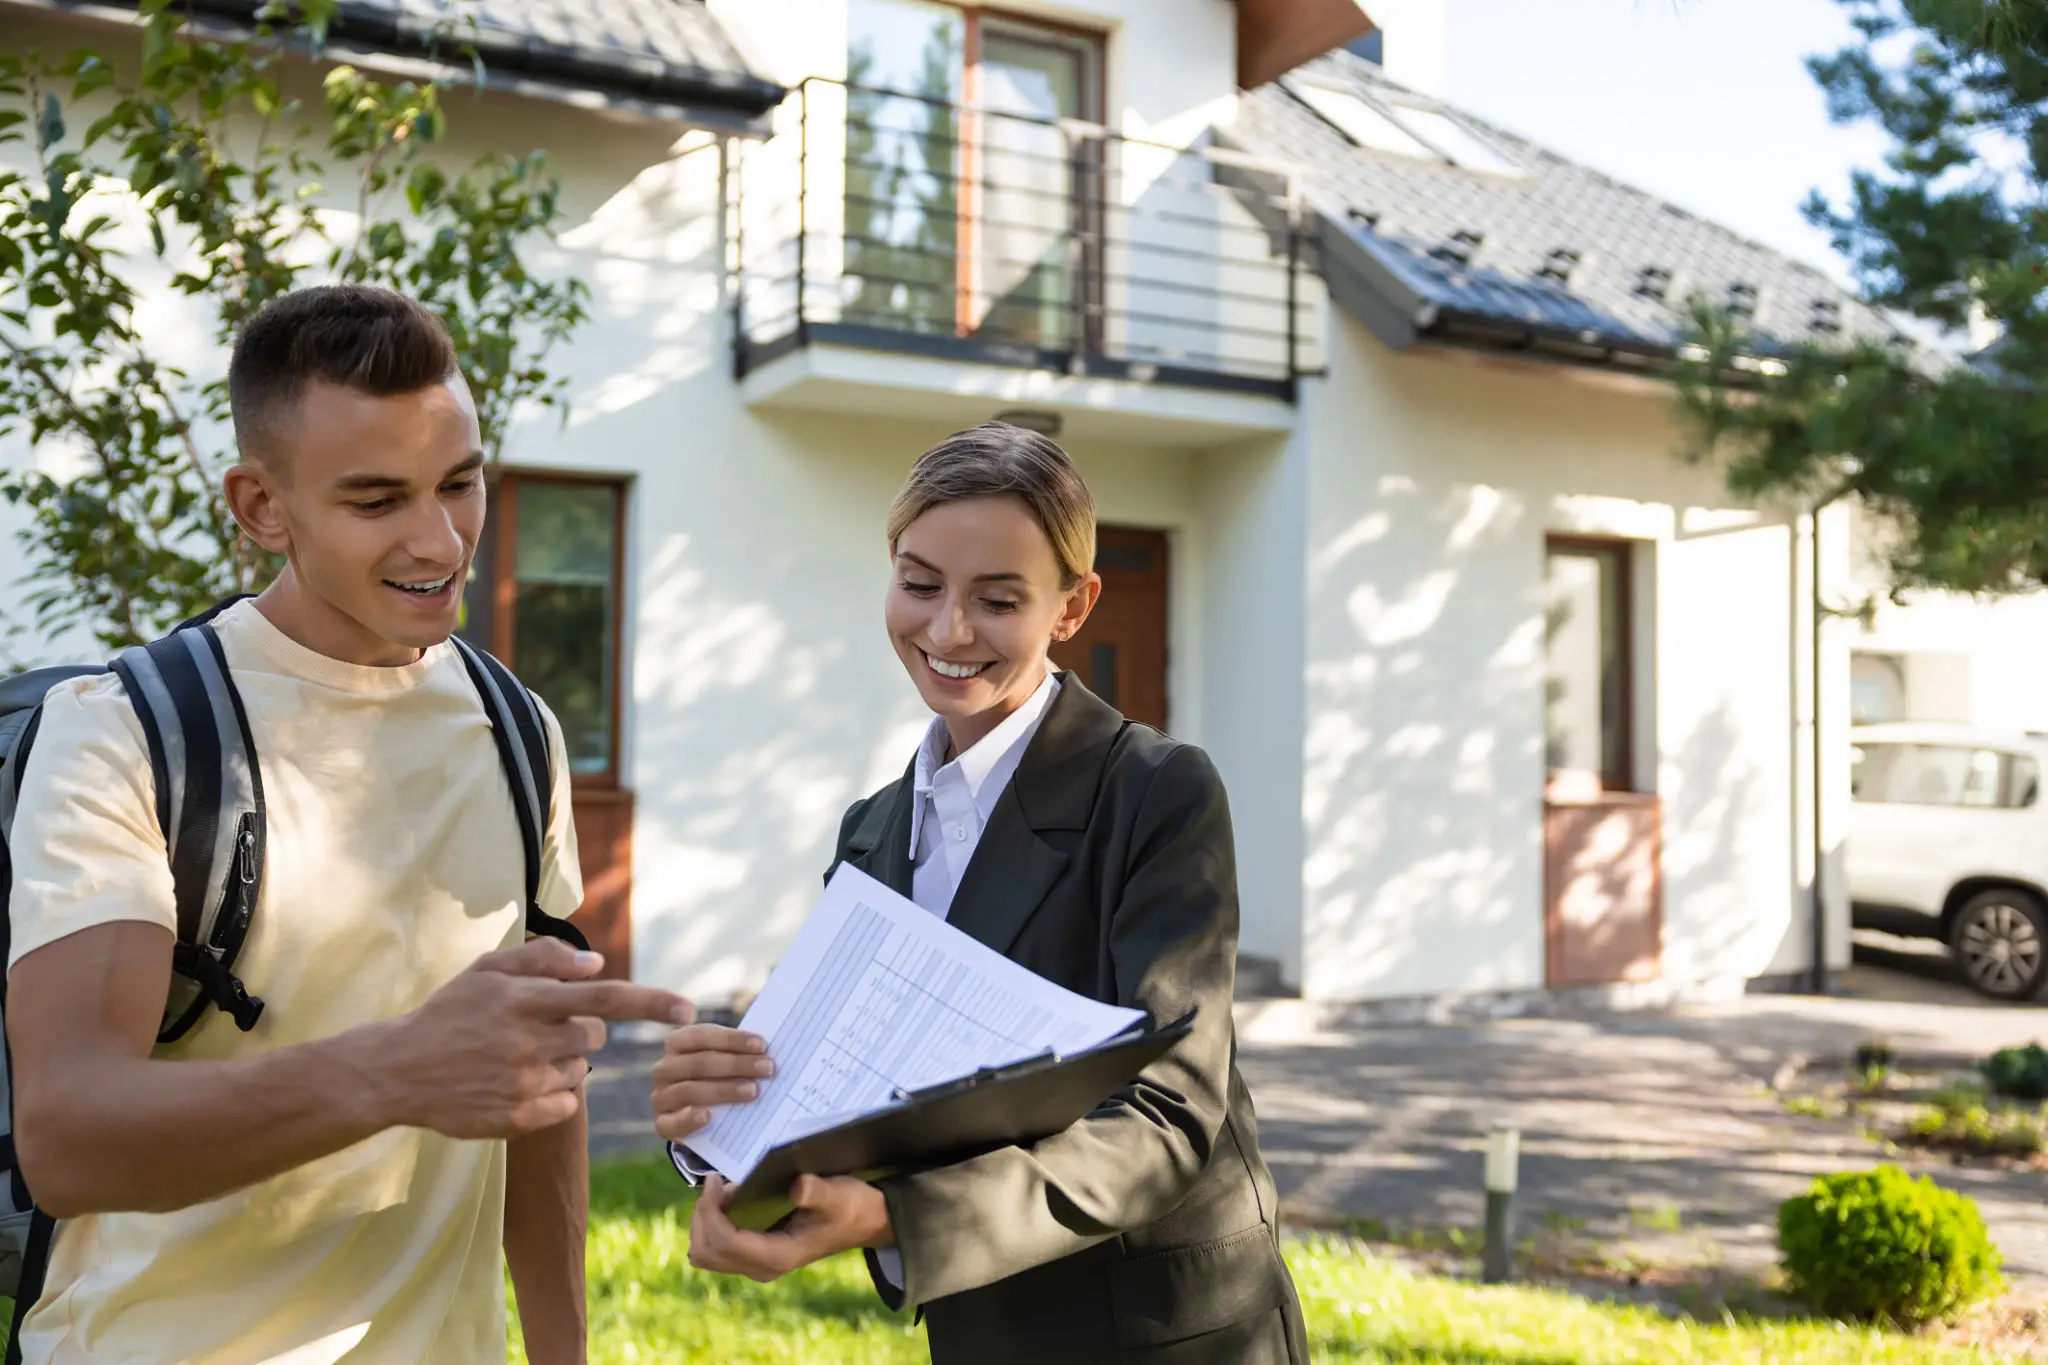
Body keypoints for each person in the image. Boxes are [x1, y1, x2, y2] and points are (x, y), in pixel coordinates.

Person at [4, 284, 692, 1365]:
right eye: (376, 501)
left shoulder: (518, 729)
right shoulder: (122, 735)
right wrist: (395, 1072)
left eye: (460, 484)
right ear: (260, 506)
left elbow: (536, 1078)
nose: (440, 538)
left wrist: (563, 1353)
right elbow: (69, 1138)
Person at [650, 422, 1309, 1364]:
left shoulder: (1157, 792)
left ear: (1073, 606)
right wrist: (716, 1136)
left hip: (1171, 1332)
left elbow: (1170, 1114)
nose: (948, 630)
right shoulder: (872, 832)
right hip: (984, 1332)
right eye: (920, 585)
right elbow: (852, 1089)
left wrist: (895, 1218)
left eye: (998, 599)